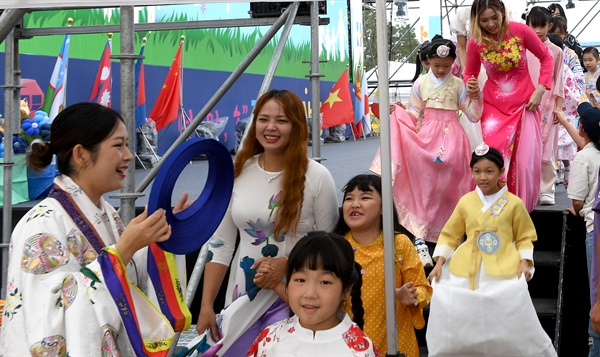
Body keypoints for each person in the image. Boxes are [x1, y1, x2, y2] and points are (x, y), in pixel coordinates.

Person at [0, 102, 192, 355]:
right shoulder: (41, 224)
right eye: (118, 145)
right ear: (81, 154)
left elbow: (128, 276)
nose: (128, 155)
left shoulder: (107, 215)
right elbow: (46, 318)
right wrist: (124, 249)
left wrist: (157, 236)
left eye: (126, 144)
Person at [195, 89, 339, 356]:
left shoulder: (318, 177)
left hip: (298, 296)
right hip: (242, 294)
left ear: (297, 126)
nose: (271, 127)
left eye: (282, 120)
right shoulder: (236, 171)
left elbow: (329, 245)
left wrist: (285, 263)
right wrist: (206, 306)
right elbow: (222, 245)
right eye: (263, 119)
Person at [426, 144, 557, 356]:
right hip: (467, 264)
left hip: (503, 263)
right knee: (459, 309)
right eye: (477, 172)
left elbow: (524, 237)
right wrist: (440, 263)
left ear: (501, 172)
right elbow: (450, 234)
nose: (483, 177)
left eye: (489, 171)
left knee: (506, 314)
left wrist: (525, 261)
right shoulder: (466, 201)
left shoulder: (514, 203)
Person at [370, 39, 482, 249]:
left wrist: (476, 95)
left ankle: (452, 232)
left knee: (453, 183)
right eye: (437, 65)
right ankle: (420, 230)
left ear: (453, 63)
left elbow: (473, 116)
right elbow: (414, 112)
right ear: (428, 61)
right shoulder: (420, 83)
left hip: (454, 138)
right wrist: (401, 113)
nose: (441, 70)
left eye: (446, 66)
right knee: (424, 180)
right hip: (427, 135)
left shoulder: (459, 84)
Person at [464, 0, 554, 212]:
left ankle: (518, 214)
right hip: (493, 110)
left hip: (525, 105)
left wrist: (541, 89)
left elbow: (546, 57)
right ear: (476, 20)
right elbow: (470, 73)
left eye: (495, 17)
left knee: (522, 165)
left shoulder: (520, 31)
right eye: (484, 20)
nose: (491, 24)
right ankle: (491, 212)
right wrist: (470, 83)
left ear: (502, 12)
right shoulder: (475, 42)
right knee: (493, 161)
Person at [334, 174, 432, 357]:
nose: (355, 204)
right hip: (348, 345)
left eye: (365, 197)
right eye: (349, 198)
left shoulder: (399, 244)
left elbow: (423, 289)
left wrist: (412, 296)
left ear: (383, 207)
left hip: (397, 344)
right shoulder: (337, 247)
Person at [247, 231, 380, 357]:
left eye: (325, 282)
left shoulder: (360, 351)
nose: (310, 294)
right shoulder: (269, 338)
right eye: (300, 280)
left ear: (346, 290)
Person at [566, 102, 600, 355]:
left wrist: (577, 209)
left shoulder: (584, 157)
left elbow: (577, 200)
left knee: (596, 293)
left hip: (594, 229)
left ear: (582, 128)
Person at [526, 7, 565, 206]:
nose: (538, 30)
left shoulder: (556, 51)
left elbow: (559, 79)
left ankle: (546, 188)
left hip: (548, 104)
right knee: (525, 147)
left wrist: (558, 106)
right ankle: (527, 187)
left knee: (546, 146)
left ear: (550, 25)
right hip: (525, 103)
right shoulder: (522, 49)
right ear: (528, 25)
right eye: (534, 25)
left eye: (542, 25)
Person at [547, 33, 583, 186]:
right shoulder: (544, 67)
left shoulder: (566, 69)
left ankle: (567, 171)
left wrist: (561, 99)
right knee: (549, 145)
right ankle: (551, 174)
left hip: (561, 111)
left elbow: (574, 91)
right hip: (547, 110)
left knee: (564, 145)